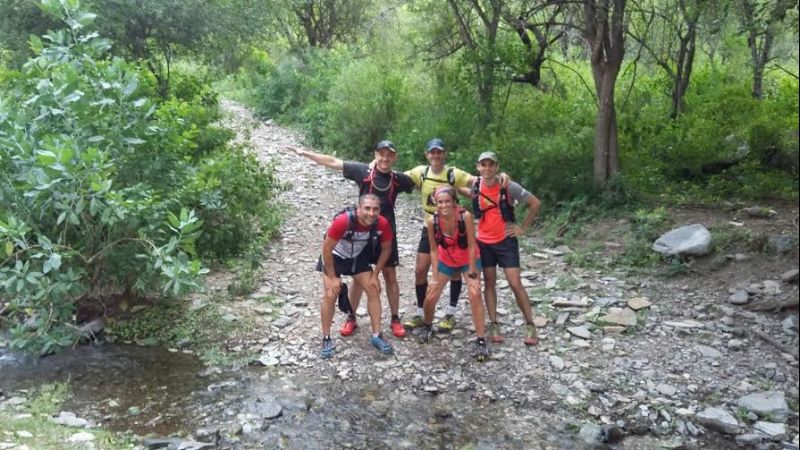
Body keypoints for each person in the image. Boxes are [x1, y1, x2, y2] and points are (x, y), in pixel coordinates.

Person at [289, 141, 415, 339]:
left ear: (394, 158)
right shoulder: (363, 171)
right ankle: (351, 316)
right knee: (359, 277)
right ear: (376, 154)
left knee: (390, 276)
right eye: (381, 154)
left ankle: (395, 318)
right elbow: (333, 162)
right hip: (362, 233)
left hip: (385, 232)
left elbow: (425, 182)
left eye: (389, 155)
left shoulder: (398, 179)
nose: (385, 158)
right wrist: (305, 153)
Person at [403, 138, 508, 333]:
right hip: (432, 226)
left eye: (439, 152)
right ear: (427, 154)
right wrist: (373, 164)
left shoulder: (453, 174)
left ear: (444, 154)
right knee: (420, 270)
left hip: (455, 226)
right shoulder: (420, 172)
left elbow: (479, 179)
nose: (435, 155)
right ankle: (421, 313)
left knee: (457, 270)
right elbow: (397, 177)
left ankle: (450, 313)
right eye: (432, 152)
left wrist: (501, 177)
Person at [471, 151, 542, 345]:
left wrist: (523, 228)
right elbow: (456, 182)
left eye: (491, 164)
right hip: (484, 243)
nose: (487, 168)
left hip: (506, 241)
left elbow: (535, 203)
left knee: (515, 283)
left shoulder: (509, 186)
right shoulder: (475, 184)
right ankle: (494, 324)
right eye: (483, 164)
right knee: (489, 283)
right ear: (478, 167)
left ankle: (530, 325)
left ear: (497, 166)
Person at [316, 194, 395, 358]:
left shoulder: (382, 223)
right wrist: (333, 277)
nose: (371, 213)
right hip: (334, 257)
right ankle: (326, 338)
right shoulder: (343, 221)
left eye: (375, 209)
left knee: (373, 289)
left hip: (357, 257)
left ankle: (376, 335)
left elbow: (386, 249)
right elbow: (326, 248)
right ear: (358, 209)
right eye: (367, 208)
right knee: (330, 294)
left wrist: (376, 274)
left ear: (379, 210)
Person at [418, 186, 489, 361]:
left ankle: (481, 340)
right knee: (431, 295)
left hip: (468, 259)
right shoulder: (432, 221)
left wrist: (472, 273)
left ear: (454, 201)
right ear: (435, 202)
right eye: (440, 202)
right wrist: (434, 277)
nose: (444, 205)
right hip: (446, 260)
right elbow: (434, 250)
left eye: (447, 201)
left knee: (474, 293)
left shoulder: (465, 216)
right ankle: (427, 326)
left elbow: (472, 246)